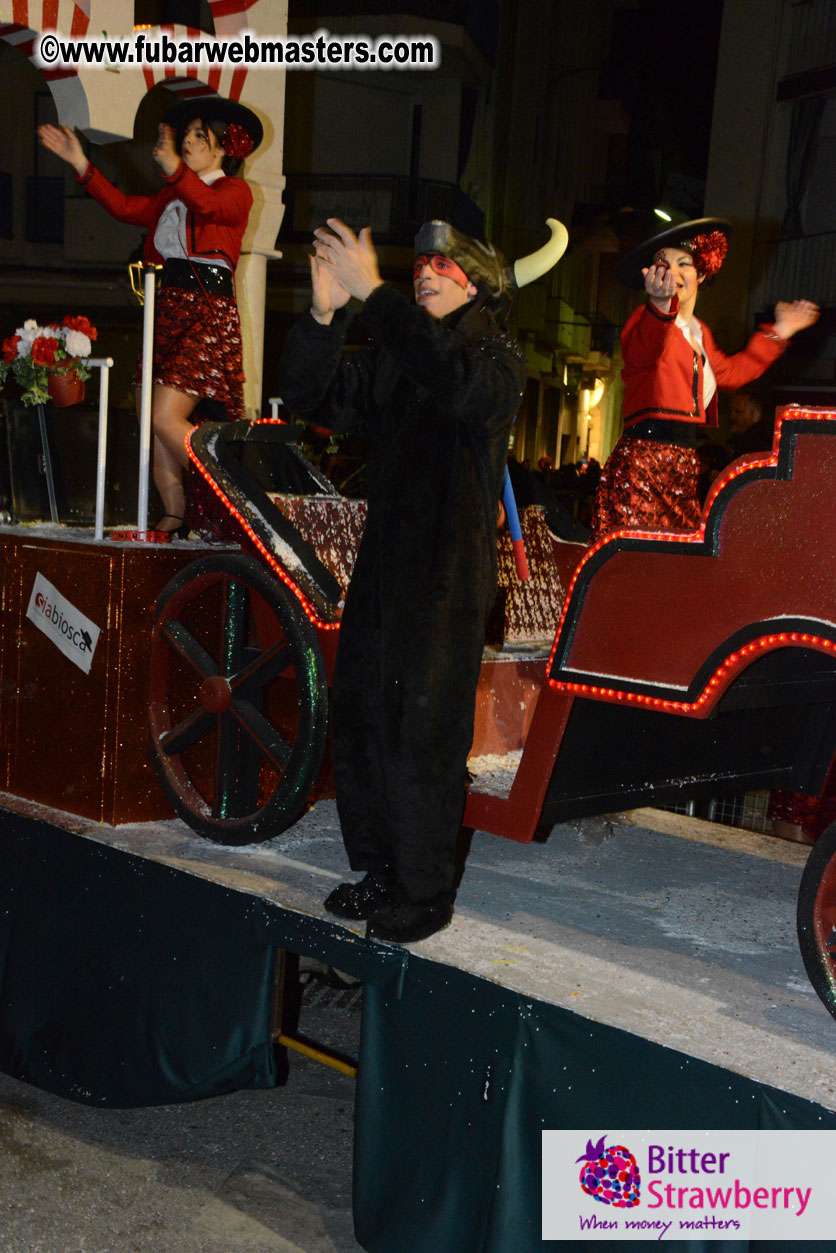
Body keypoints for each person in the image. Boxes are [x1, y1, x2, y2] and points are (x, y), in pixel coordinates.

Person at [278, 216, 566, 943]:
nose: (426, 273)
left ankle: (424, 891)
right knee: (363, 712)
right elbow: (314, 398)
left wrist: (374, 293)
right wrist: (323, 315)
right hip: (384, 564)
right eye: (419, 267)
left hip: (447, 571)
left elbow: (455, 382)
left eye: (444, 265)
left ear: (478, 284)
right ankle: (379, 868)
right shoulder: (398, 352)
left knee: (424, 727)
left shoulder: (495, 355)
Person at [38, 96, 262, 535]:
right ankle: (174, 514)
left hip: (205, 313)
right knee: (150, 422)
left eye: (200, 136)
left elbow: (209, 207)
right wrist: (81, 162)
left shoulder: (236, 192)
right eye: (187, 135)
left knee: (165, 417)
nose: (188, 142)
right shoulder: (172, 195)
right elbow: (124, 207)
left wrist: (174, 169)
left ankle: (233, 492)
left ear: (223, 149)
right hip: (165, 312)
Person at [591, 218, 819, 541]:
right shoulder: (644, 321)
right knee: (642, 559)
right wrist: (660, 305)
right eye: (663, 263)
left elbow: (731, 373)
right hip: (644, 463)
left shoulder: (699, 332)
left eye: (683, 263)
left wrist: (781, 330)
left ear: (701, 273)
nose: (672, 271)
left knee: (678, 560)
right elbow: (644, 351)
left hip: (684, 464)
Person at [728, 388, 774, 457]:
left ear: (755, 415)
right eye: (731, 411)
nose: (732, 416)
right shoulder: (739, 441)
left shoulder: (752, 444)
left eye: (738, 412)